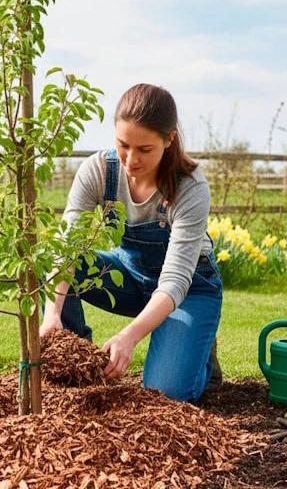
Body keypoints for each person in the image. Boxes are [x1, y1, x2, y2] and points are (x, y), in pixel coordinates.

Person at [39, 83, 222, 402]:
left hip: (188, 290)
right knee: (49, 259)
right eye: (123, 145)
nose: (130, 160)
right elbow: (66, 245)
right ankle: (82, 366)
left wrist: (129, 337)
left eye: (144, 150)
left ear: (169, 140)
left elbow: (176, 280)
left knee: (165, 393)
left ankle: (199, 349)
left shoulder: (190, 188)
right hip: (129, 278)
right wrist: (52, 314)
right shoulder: (98, 171)